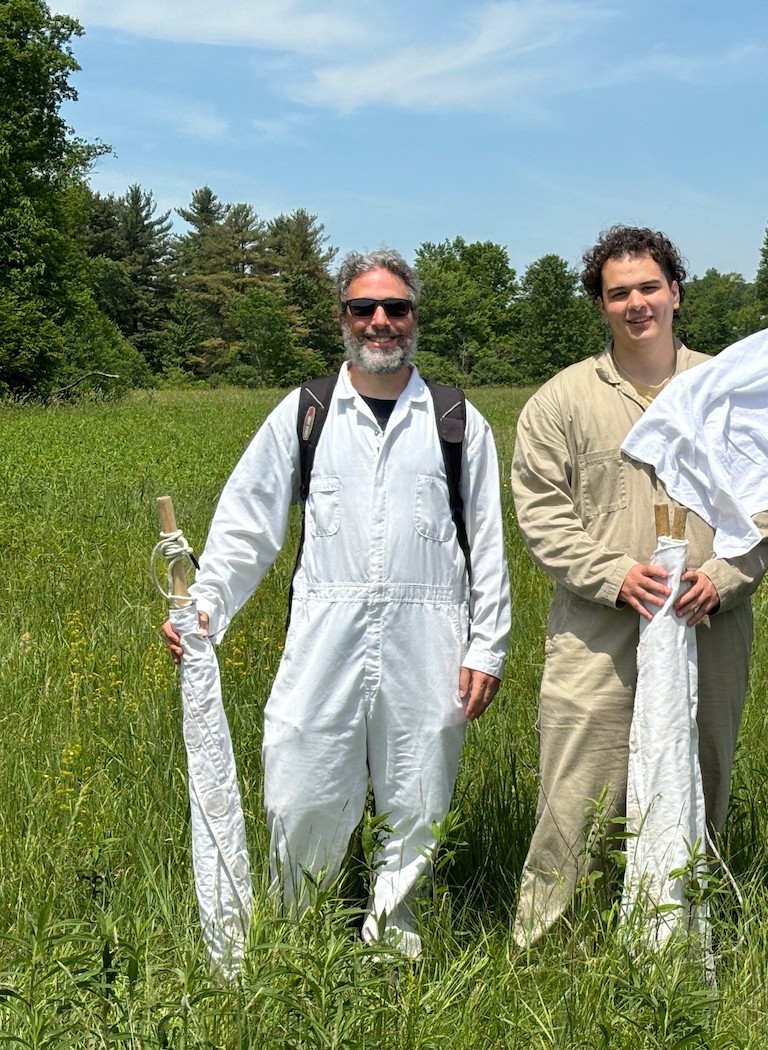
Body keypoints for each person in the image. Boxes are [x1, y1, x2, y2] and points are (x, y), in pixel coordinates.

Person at [161, 249, 511, 958]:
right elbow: (247, 523)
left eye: (395, 308)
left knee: (417, 793)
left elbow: (488, 542)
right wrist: (206, 608)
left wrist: (488, 646)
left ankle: (394, 945)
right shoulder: (307, 412)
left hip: (430, 635)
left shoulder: (455, 420)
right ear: (343, 318)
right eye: (364, 309)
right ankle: (301, 939)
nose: (380, 322)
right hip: (326, 630)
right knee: (301, 785)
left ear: (415, 317)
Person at [510, 225, 768, 946]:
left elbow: (765, 510)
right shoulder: (561, 402)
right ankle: (550, 952)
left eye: (649, 287)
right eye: (618, 292)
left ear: (676, 293)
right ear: (600, 306)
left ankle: (690, 944)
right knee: (576, 799)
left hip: (706, 628)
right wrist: (614, 576)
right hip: (598, 633)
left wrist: (721, 580)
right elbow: (542, 515)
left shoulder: (725, 393)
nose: (637, 304)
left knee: (698, 786)